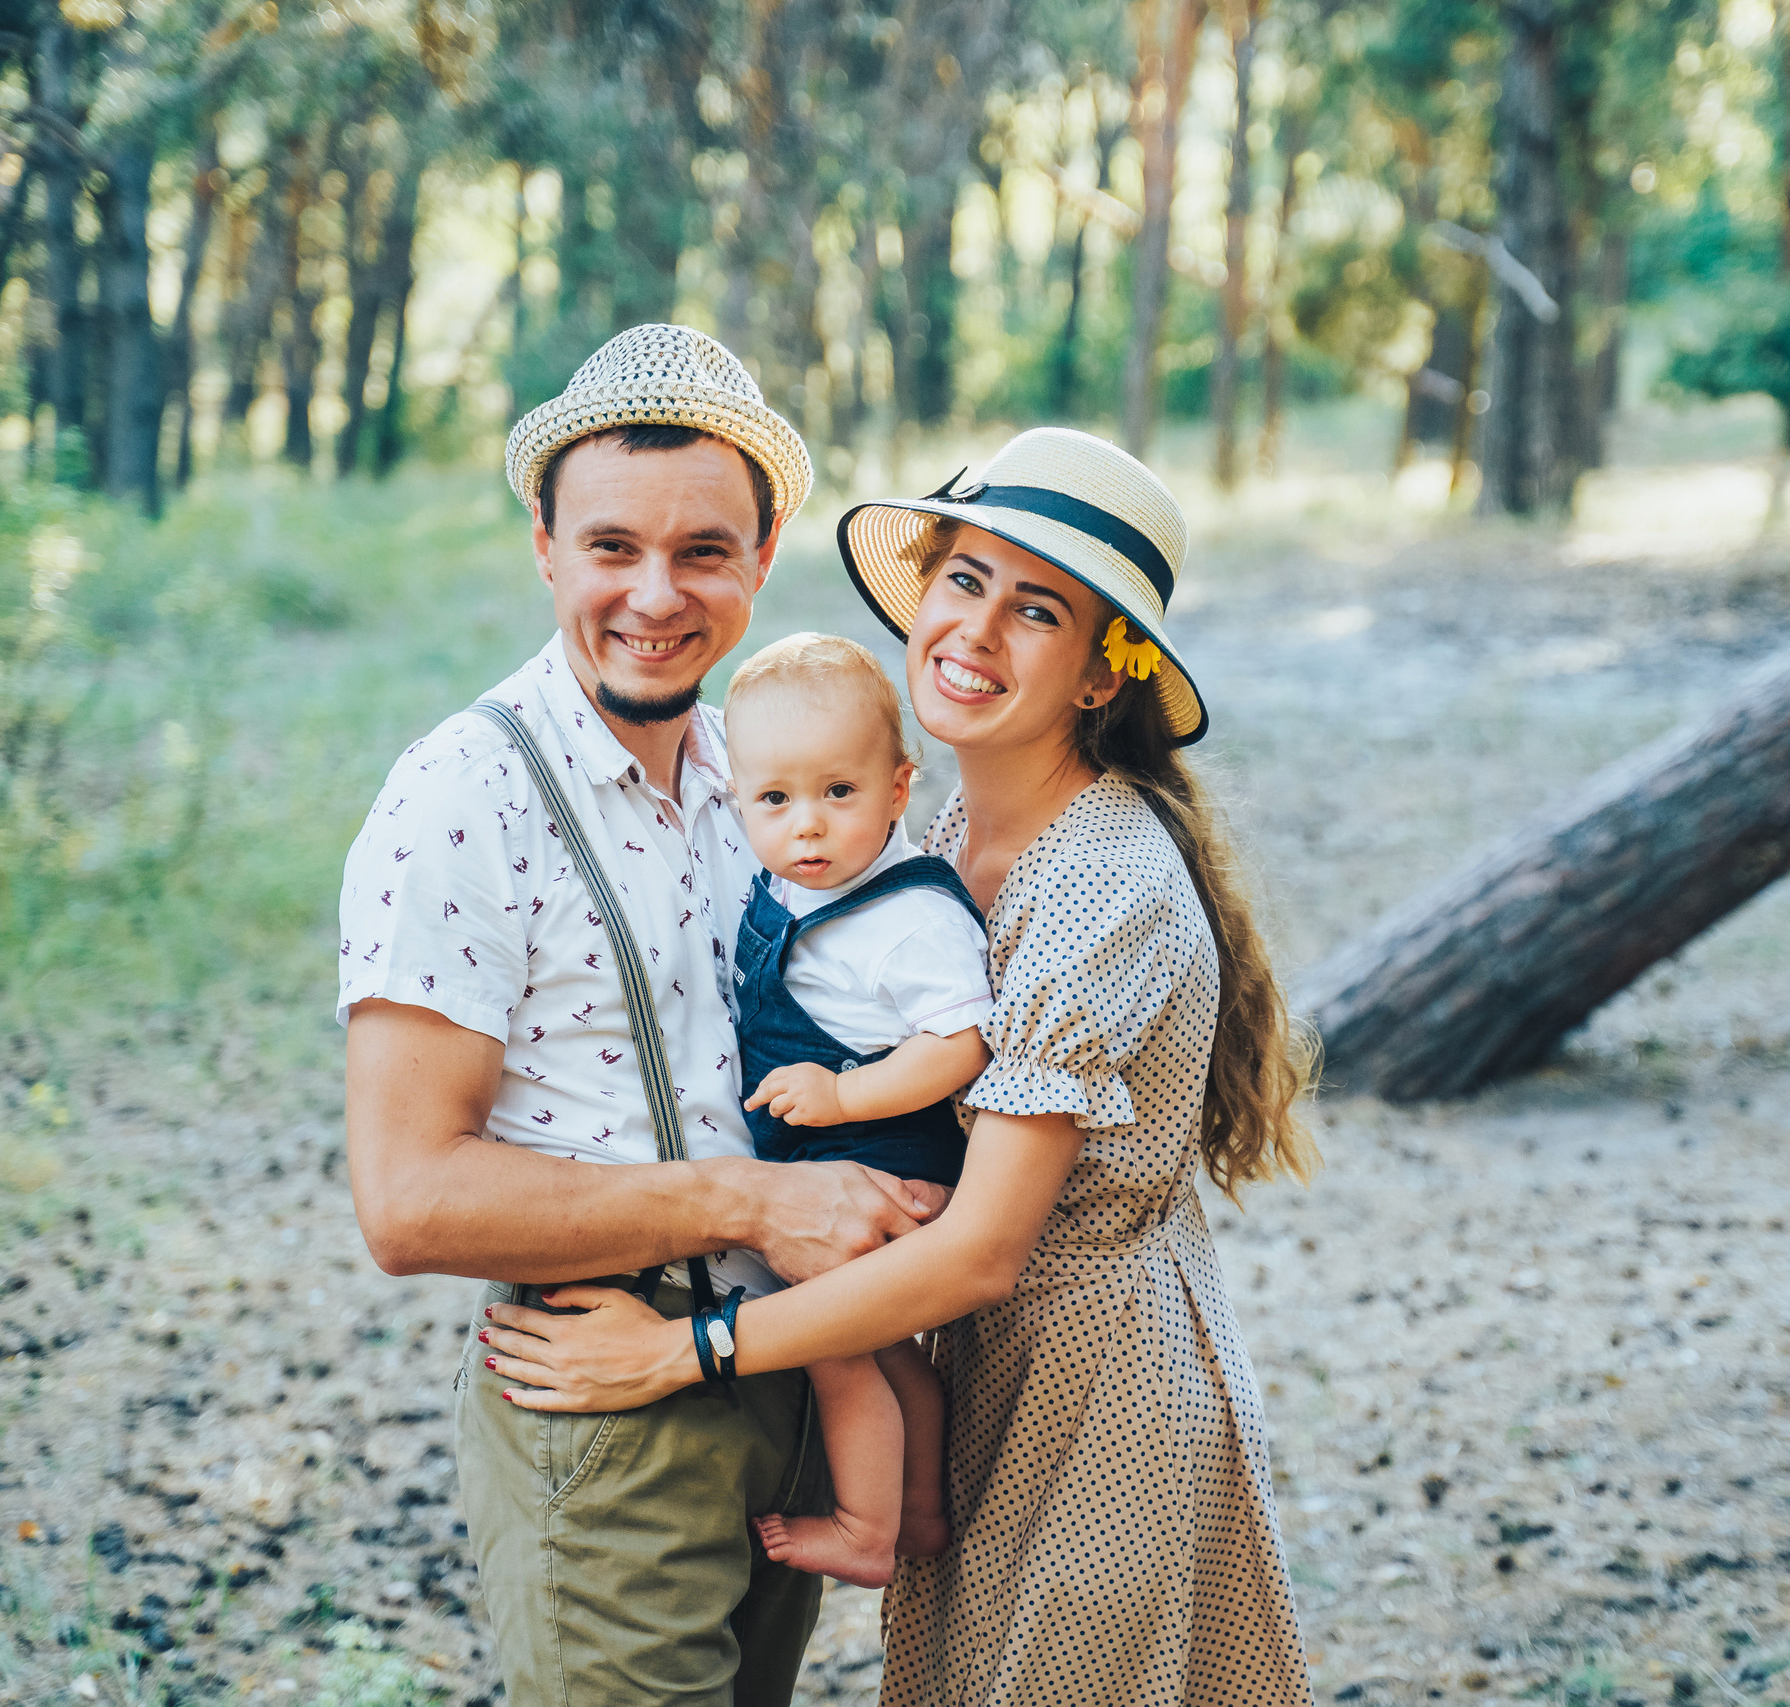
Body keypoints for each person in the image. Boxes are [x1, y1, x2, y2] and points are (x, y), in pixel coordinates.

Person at [474, 427, 1321, 1705]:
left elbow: (984, 1247)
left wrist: (684, 1350)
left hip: (1096, 1386)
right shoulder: (934, 829)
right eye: (962, 582)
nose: (973, 632)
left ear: (1101, 674)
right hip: (978, 1362)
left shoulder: (1099, 878)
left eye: (1036, 610)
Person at [338, 324, 948, 1707]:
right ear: (544, 544)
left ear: (764, 552)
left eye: (704, 551)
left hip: (795, 1381)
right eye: (612, 547)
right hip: (610, 1413)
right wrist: (752, 1204)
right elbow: (408, 1200)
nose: (656, 595)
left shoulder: (762, 775)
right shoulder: (459, 798)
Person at [721, 632, 993, 1588]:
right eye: (775, 799)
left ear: (898, 786)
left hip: (885, 1158)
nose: (808, 826)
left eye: (839, 793)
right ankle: (920, 1510)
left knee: (833, 1347)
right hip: (851, 1156)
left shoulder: (907, 916)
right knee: (888, 1350)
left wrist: (844, 1093)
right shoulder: (792, 886)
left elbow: (959, 1043)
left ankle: (864, 1530)